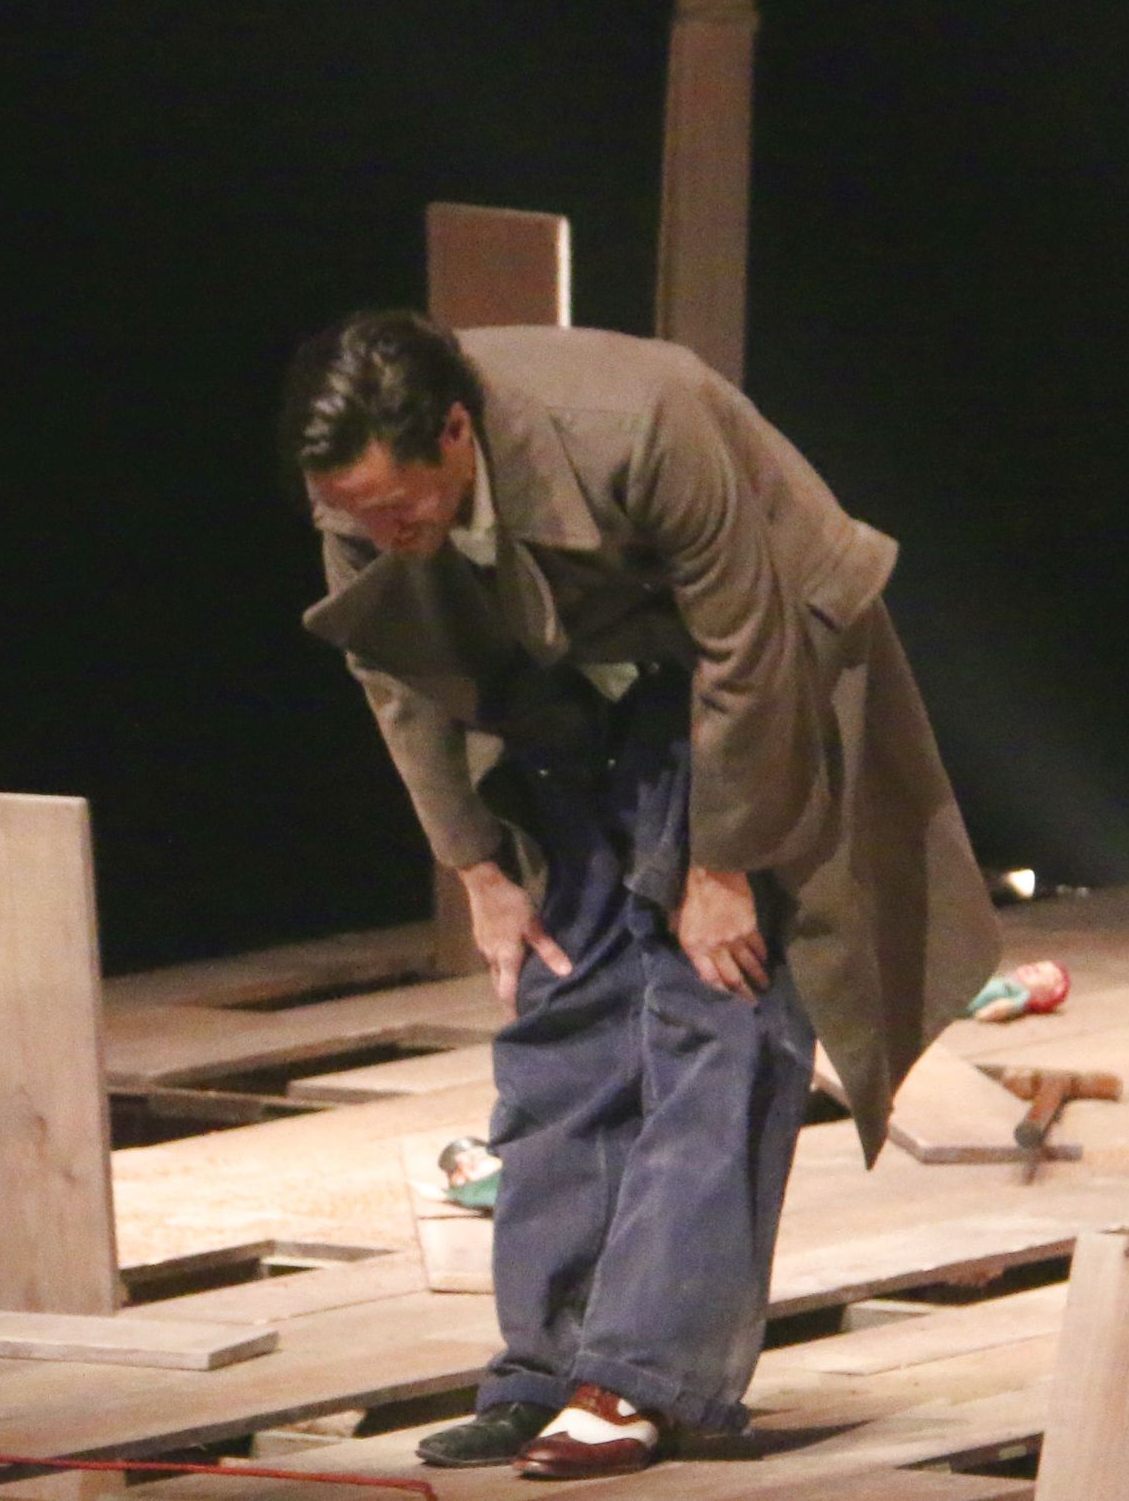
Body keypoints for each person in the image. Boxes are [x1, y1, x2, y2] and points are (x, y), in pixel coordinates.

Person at [280, 311, 1000, 1477]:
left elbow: (747, 643)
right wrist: (477, 869)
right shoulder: (359, 505)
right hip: (567, 684)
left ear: (456, 433)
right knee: (560, 1007)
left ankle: (643, 1378)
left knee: (716, 1004)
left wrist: (722, 864)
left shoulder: (639, 421)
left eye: (397, 509)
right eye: (355, 516)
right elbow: (398, 680)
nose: (379, 533)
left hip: (750, 667)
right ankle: (549, 1365)